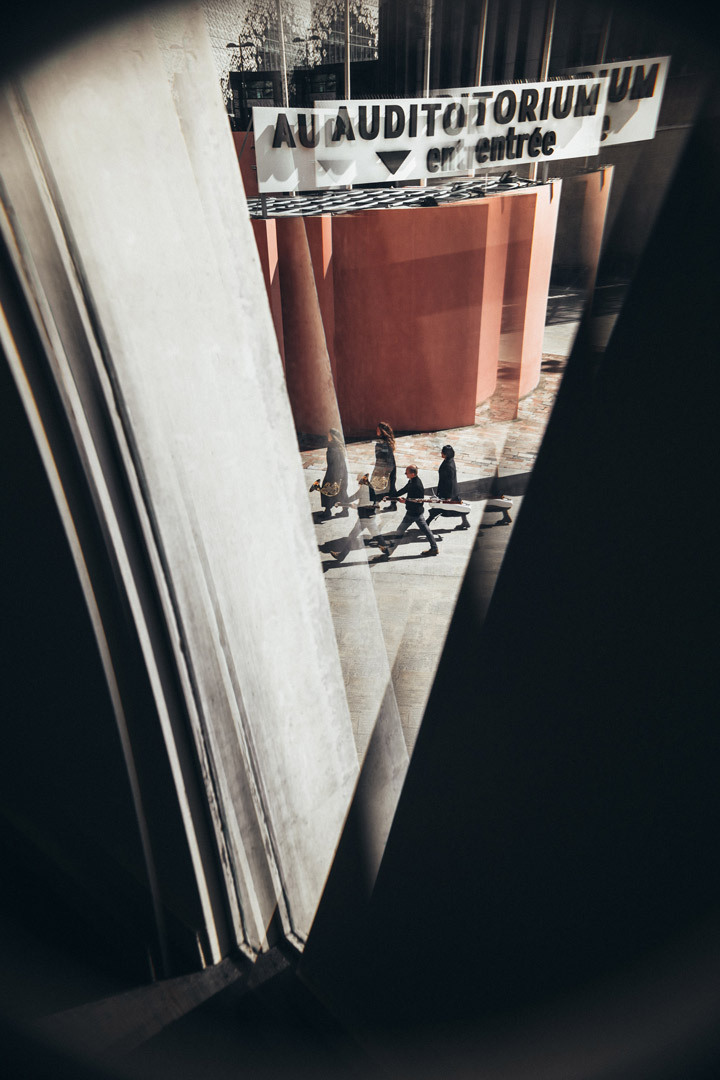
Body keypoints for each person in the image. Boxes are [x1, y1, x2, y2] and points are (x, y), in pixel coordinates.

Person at [373, 465, 439, 559]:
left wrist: (405, 501)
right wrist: (391, 496)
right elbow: (404, 490)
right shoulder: (412, 481)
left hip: (413, 513)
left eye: (406, 472)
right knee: (426, 530)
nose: (405, 474)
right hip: (415, 512)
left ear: (412, 474)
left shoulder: (417, 485)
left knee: (400, 530)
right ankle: (434, 548)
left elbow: (418, 502)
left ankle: (389, 552)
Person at [329, 474, 381, 561]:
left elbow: (355, 497)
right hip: (369, 516)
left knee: (352, 535)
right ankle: (386, 550)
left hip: (365, 517)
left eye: (358, 479)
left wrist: (342, 503)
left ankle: (341, 556)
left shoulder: (364, 488)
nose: (357, 481)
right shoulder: (370, 488)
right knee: (376, 536)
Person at [425, 444, 470, 537]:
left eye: (443, 453)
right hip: (448, 490)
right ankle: (465, 522)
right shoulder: (449, 461)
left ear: (446, 454)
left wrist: (449, 496)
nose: (441, 454)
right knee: (454, 506)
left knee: (439, 508)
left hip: (447, 492)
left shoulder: (449, 465)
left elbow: (450, 482)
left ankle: (426, 523)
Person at [310, 427, 348, 520]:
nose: (327, 436)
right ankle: (345, 511)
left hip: (334, 472)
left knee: (326, 490)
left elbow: (334, 463)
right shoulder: (339, 446)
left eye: (329, 435)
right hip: (342, 471)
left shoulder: (332, 447)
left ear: (333, 436)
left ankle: (327, 512)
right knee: (342, 491)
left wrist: (334, 477)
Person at [371, 421, 398, 511]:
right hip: (390, 466)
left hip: (384, 467)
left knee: (377, 485)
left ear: (381, 431)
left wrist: (383, 471)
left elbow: (382, 457)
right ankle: (393, 504)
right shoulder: (387, 441)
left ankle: (376, 503)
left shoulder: (382, 443)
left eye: (378, 429)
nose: (376, 431)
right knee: (391, 486)